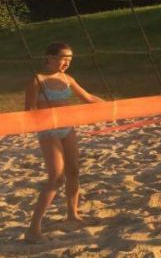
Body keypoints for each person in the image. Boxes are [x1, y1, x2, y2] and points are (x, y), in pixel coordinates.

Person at [24, 42, 104, 243]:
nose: (67, 63)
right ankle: (33, 229)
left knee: (74, 171)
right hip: (48, 130)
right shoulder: (37, 80)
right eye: (63, 58)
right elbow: (29, 111)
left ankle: (72, 215)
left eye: (70, 59)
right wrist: (43, 119)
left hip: (67, 128)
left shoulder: (67, 79)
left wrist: (113, 106)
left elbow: (88, 97)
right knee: (56, 178)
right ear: (50, 58)